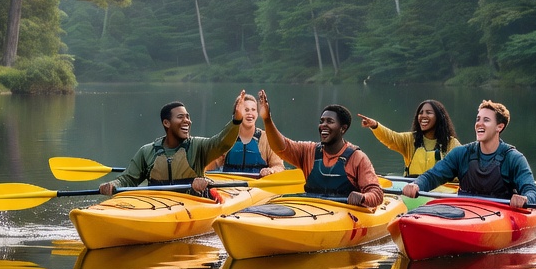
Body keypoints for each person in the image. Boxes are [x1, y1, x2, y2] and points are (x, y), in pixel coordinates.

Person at [98, 91, 248, 197]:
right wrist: (112, 184)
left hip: (192, 203)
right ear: (166, 123)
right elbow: (128, 179)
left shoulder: (199, 146)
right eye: (181, 117)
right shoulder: (147, 151)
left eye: (188, 117)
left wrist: (236, 120)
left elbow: (222, 143)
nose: (187, 121)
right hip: (157, 205)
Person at [400, 100, 536, 208]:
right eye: (478, 119)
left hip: (500, 212)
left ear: (500, 126)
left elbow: (532, 191)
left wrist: (525, 198)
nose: (479, 124)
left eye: (486, 120)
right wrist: (417, 185)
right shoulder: (461, 154)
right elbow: (433, 175)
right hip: (465, 210)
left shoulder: (514, 158)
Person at [256, 90, 385, 207]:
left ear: (343, 128)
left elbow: (377, 194)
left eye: (330, 121)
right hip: (312, 211)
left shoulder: (357, 158)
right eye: (322, 121)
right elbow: (281, 147)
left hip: (345, 214)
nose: (323, 125)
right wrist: (267, 119)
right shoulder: (309, 151)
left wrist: (363, 197)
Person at [357, 99, 460, 176]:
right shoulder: (410, 140)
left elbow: (465, 163)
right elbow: (391, 138)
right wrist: (375, 125)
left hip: (441, 194)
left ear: (439, 118)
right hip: (413, 191)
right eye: (421, 113)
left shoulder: (451, 144)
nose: (423, 116)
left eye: (429, 113)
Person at [206, 93, 284, 176]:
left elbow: (279, 166)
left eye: (253, 110)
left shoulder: (267, 139)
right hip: (230, 185)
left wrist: (271, 170)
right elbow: (207, 166)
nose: (250, 113)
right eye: (246, 110)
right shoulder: (226, 138)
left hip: (258, 186)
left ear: (257, 114)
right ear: (237, 114)